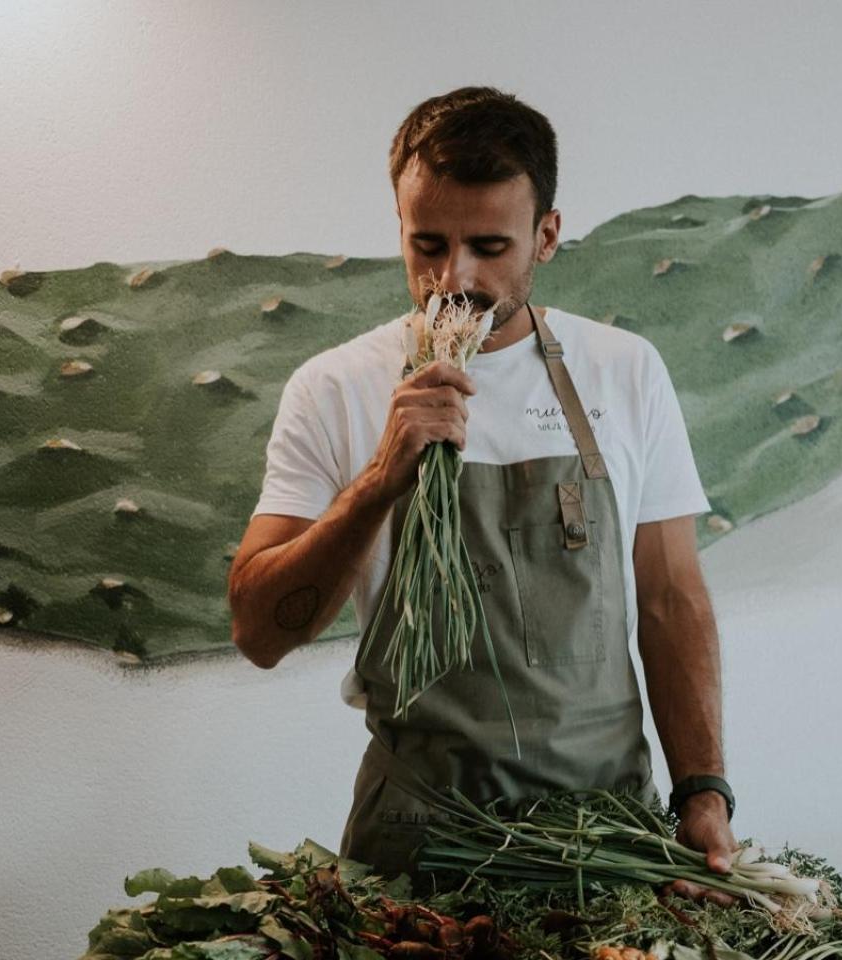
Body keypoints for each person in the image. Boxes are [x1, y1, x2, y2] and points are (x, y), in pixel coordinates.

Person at [227, 86, 735, 903]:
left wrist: (703, 791)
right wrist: (380, 481)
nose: (450, 279)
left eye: (488, 246)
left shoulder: (624, 371)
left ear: (547, 235)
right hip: (419, 843)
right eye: (426, 243)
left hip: (607, 837)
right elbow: (257, 630)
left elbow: (671, 598)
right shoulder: (334, 388)